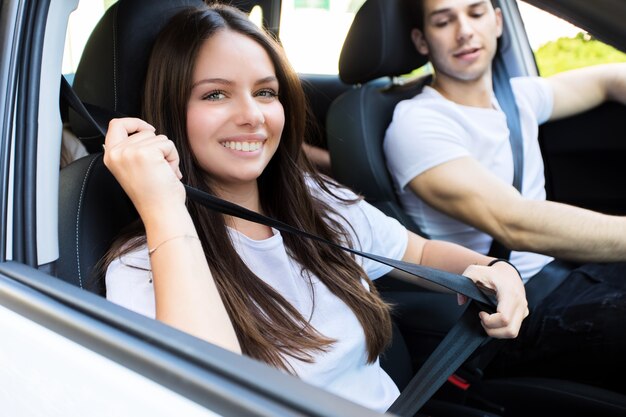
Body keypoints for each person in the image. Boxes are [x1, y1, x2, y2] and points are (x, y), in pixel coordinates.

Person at [101, 3, 527, 412]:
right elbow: (206, 396)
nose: (253, 115)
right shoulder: (144, 264)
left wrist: (496, 270)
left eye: (265, 92)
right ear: (171, 112)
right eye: (215, 95)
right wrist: (163, 205)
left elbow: (418, 254)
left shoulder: (312, 198)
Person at [384, 0, 626, 391]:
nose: (464, 30)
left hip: (564, 274)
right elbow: (514, 222)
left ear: (497, 22)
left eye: (476, 13)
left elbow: (609, 79)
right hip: (508, 316)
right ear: (422, 41)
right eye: (444, 21)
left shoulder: (517, 97)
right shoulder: (417, 124)